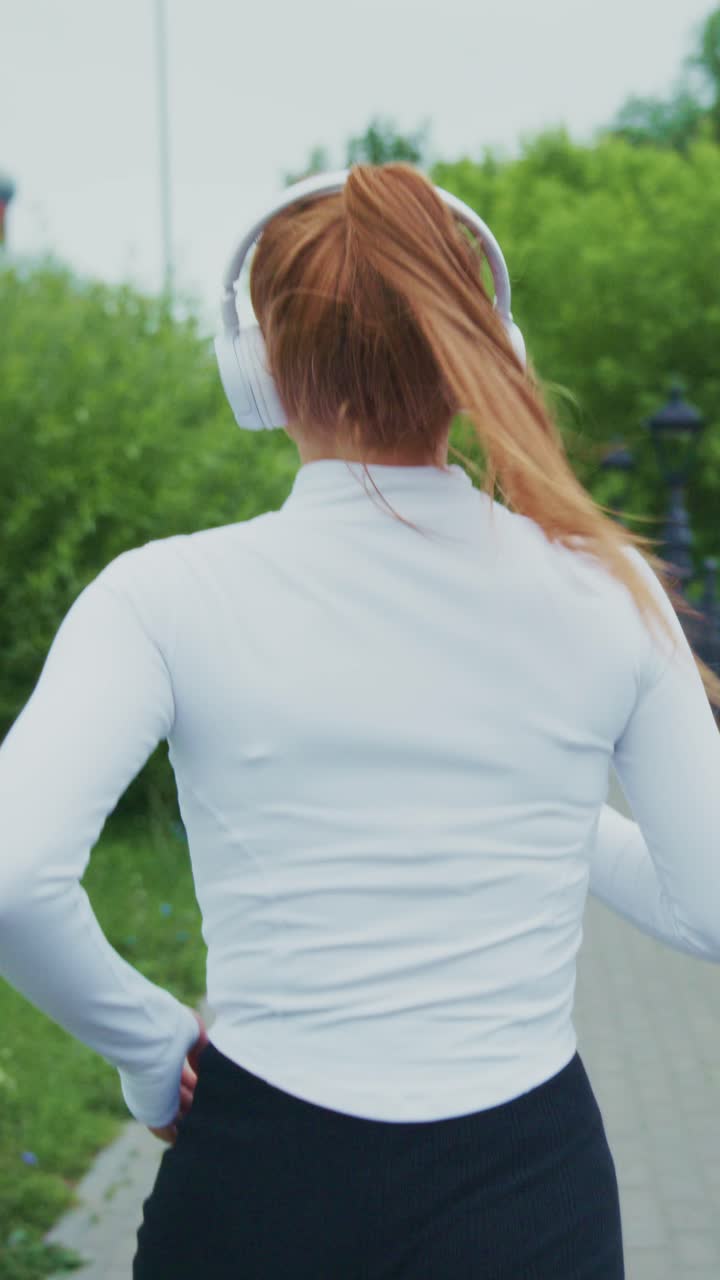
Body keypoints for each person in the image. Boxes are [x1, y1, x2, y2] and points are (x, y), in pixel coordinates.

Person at [1, 163, 719, 1279]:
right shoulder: (610, 590)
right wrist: (535, 810)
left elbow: (11, 878)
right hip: (528, 1186)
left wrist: (151, 1051)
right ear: (490, 350)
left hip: (255, 1180)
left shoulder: (163, 594)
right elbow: (710, 903)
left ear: (259, 369)